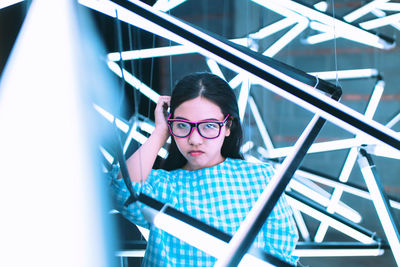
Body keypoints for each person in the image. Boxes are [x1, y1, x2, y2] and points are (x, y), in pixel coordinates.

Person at [108, 72, 299, 266]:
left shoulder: (260, 179)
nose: (194, 140)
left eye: (208, 126)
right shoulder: (162, 185)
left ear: (227, 126)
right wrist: (159, 132)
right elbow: (120, 192)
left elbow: (281, 255)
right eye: (182, 125)